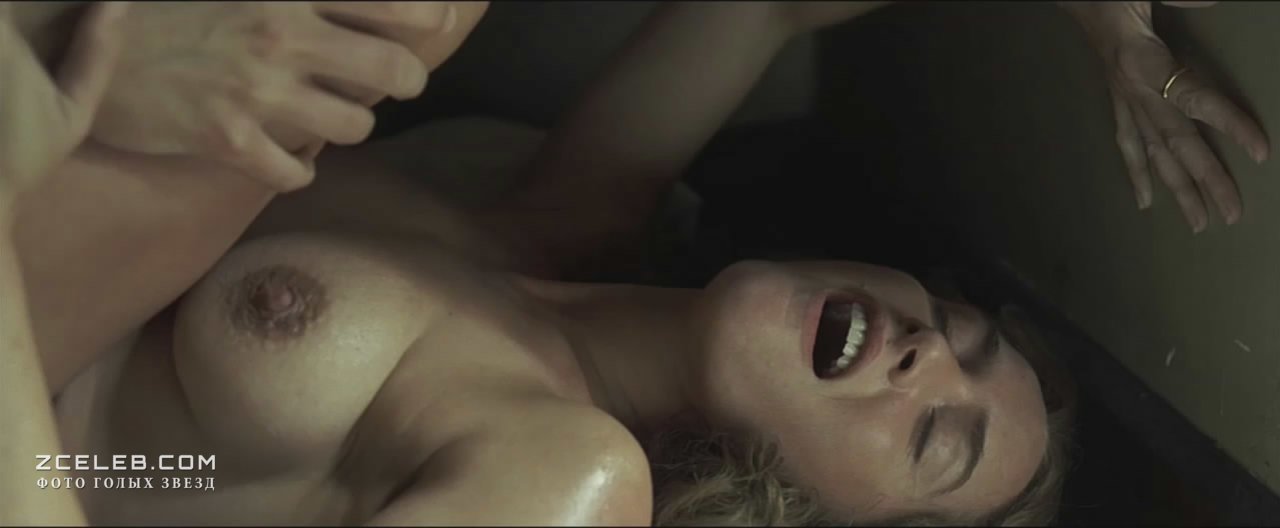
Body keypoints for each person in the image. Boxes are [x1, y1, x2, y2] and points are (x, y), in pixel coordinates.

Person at [1, 1, 1266, 526]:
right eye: (952, 326)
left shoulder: (565, 480)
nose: (927, 351)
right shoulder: (588, 215)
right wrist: (1108, 28)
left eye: (931, 434)